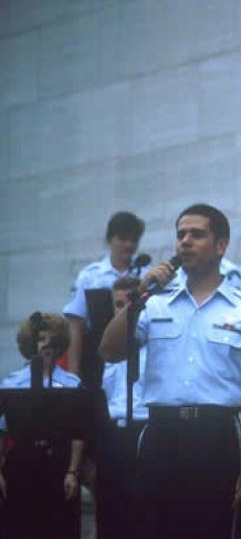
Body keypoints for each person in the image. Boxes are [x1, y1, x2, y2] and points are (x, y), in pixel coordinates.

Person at [99, 203, 241, 539]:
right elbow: (109, 351)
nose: (185, 241)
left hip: (216, 437)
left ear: (221, 246)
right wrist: (138, 295)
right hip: (161, 434)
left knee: (210, 528)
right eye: (181, 234)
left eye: (197, 234)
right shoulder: (154, 304)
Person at [0, 313, 83, 538]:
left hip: (58, 465)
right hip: (21, 466)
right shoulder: (12, 383)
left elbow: (78, 433)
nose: (47, 345)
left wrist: (73, 472)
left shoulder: (72, 384)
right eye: (41, 338)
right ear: (31, 343)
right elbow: (2, 430)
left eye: (53, 339)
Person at [63, 211, 148, 381]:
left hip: (138, 357)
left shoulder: (146, 273)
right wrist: (72, 375)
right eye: (123, 239)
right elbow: (76, 324)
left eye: (134, 240)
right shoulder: (90, 276)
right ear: (110, 239)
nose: (129, 245)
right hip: (96, 355)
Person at [95, 275, 148, 538]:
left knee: (143, 513)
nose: (123, 309)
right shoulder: (108, 345)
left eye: (129, 302)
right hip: (114, 433)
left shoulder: (153, 343)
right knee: (111, 512)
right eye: (118, 304)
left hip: (145, 431)